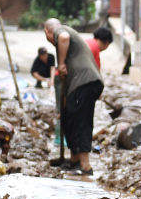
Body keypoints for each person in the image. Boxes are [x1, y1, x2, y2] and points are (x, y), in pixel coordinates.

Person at [44, 18, 104, 175]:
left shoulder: (60, 31)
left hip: (84, 83)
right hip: (87, 83)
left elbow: (64, 38)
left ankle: (85, 165)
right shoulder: (68, 35)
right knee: (68, 118)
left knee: (81, 121)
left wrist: (62, 63)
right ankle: (74, 159)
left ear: (47, 32)